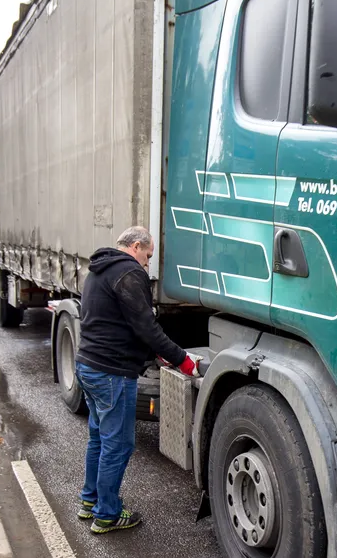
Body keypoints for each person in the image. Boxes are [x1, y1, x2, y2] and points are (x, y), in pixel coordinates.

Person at [74, 226, 198, 534]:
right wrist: (182, 359)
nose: (147, 263)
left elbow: (114, 322)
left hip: (88, 365)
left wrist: (154, 354)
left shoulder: (99, 270)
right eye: (148, 255)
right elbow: (146, 326)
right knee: (118, 445)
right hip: (111, 373)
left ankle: (90, 501)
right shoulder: (129, 273)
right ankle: (108, 515)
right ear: (137, 246)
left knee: (100, 439)